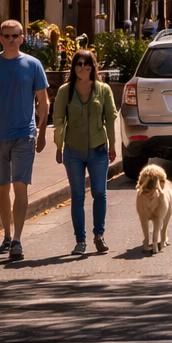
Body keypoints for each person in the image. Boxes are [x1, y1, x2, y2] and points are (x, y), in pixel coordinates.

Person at [0, 20, 50, 262]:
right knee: (2, 186)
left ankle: (17, 239)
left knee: (20, 185)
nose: (11, 39)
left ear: (22, 38)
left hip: (24, 135)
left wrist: (42, 131)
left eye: (15, 35)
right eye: (6, 36)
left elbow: (44, 102)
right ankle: (6, 234)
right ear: (0, 38)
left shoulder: (33, 65)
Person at [53, 49, 117, 255]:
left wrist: (113, 145)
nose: (82, 67)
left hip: (98, 149)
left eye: (87, 63)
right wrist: (58, 146)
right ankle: (80, 241)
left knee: (99, 193)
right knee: (78, 195)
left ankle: (99, 235)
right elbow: (58, 120)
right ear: (73, 67)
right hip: (73, 150)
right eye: (79, 64)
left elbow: (110, 120)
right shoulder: (66, 91)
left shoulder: (103, 90)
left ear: (93, 66)